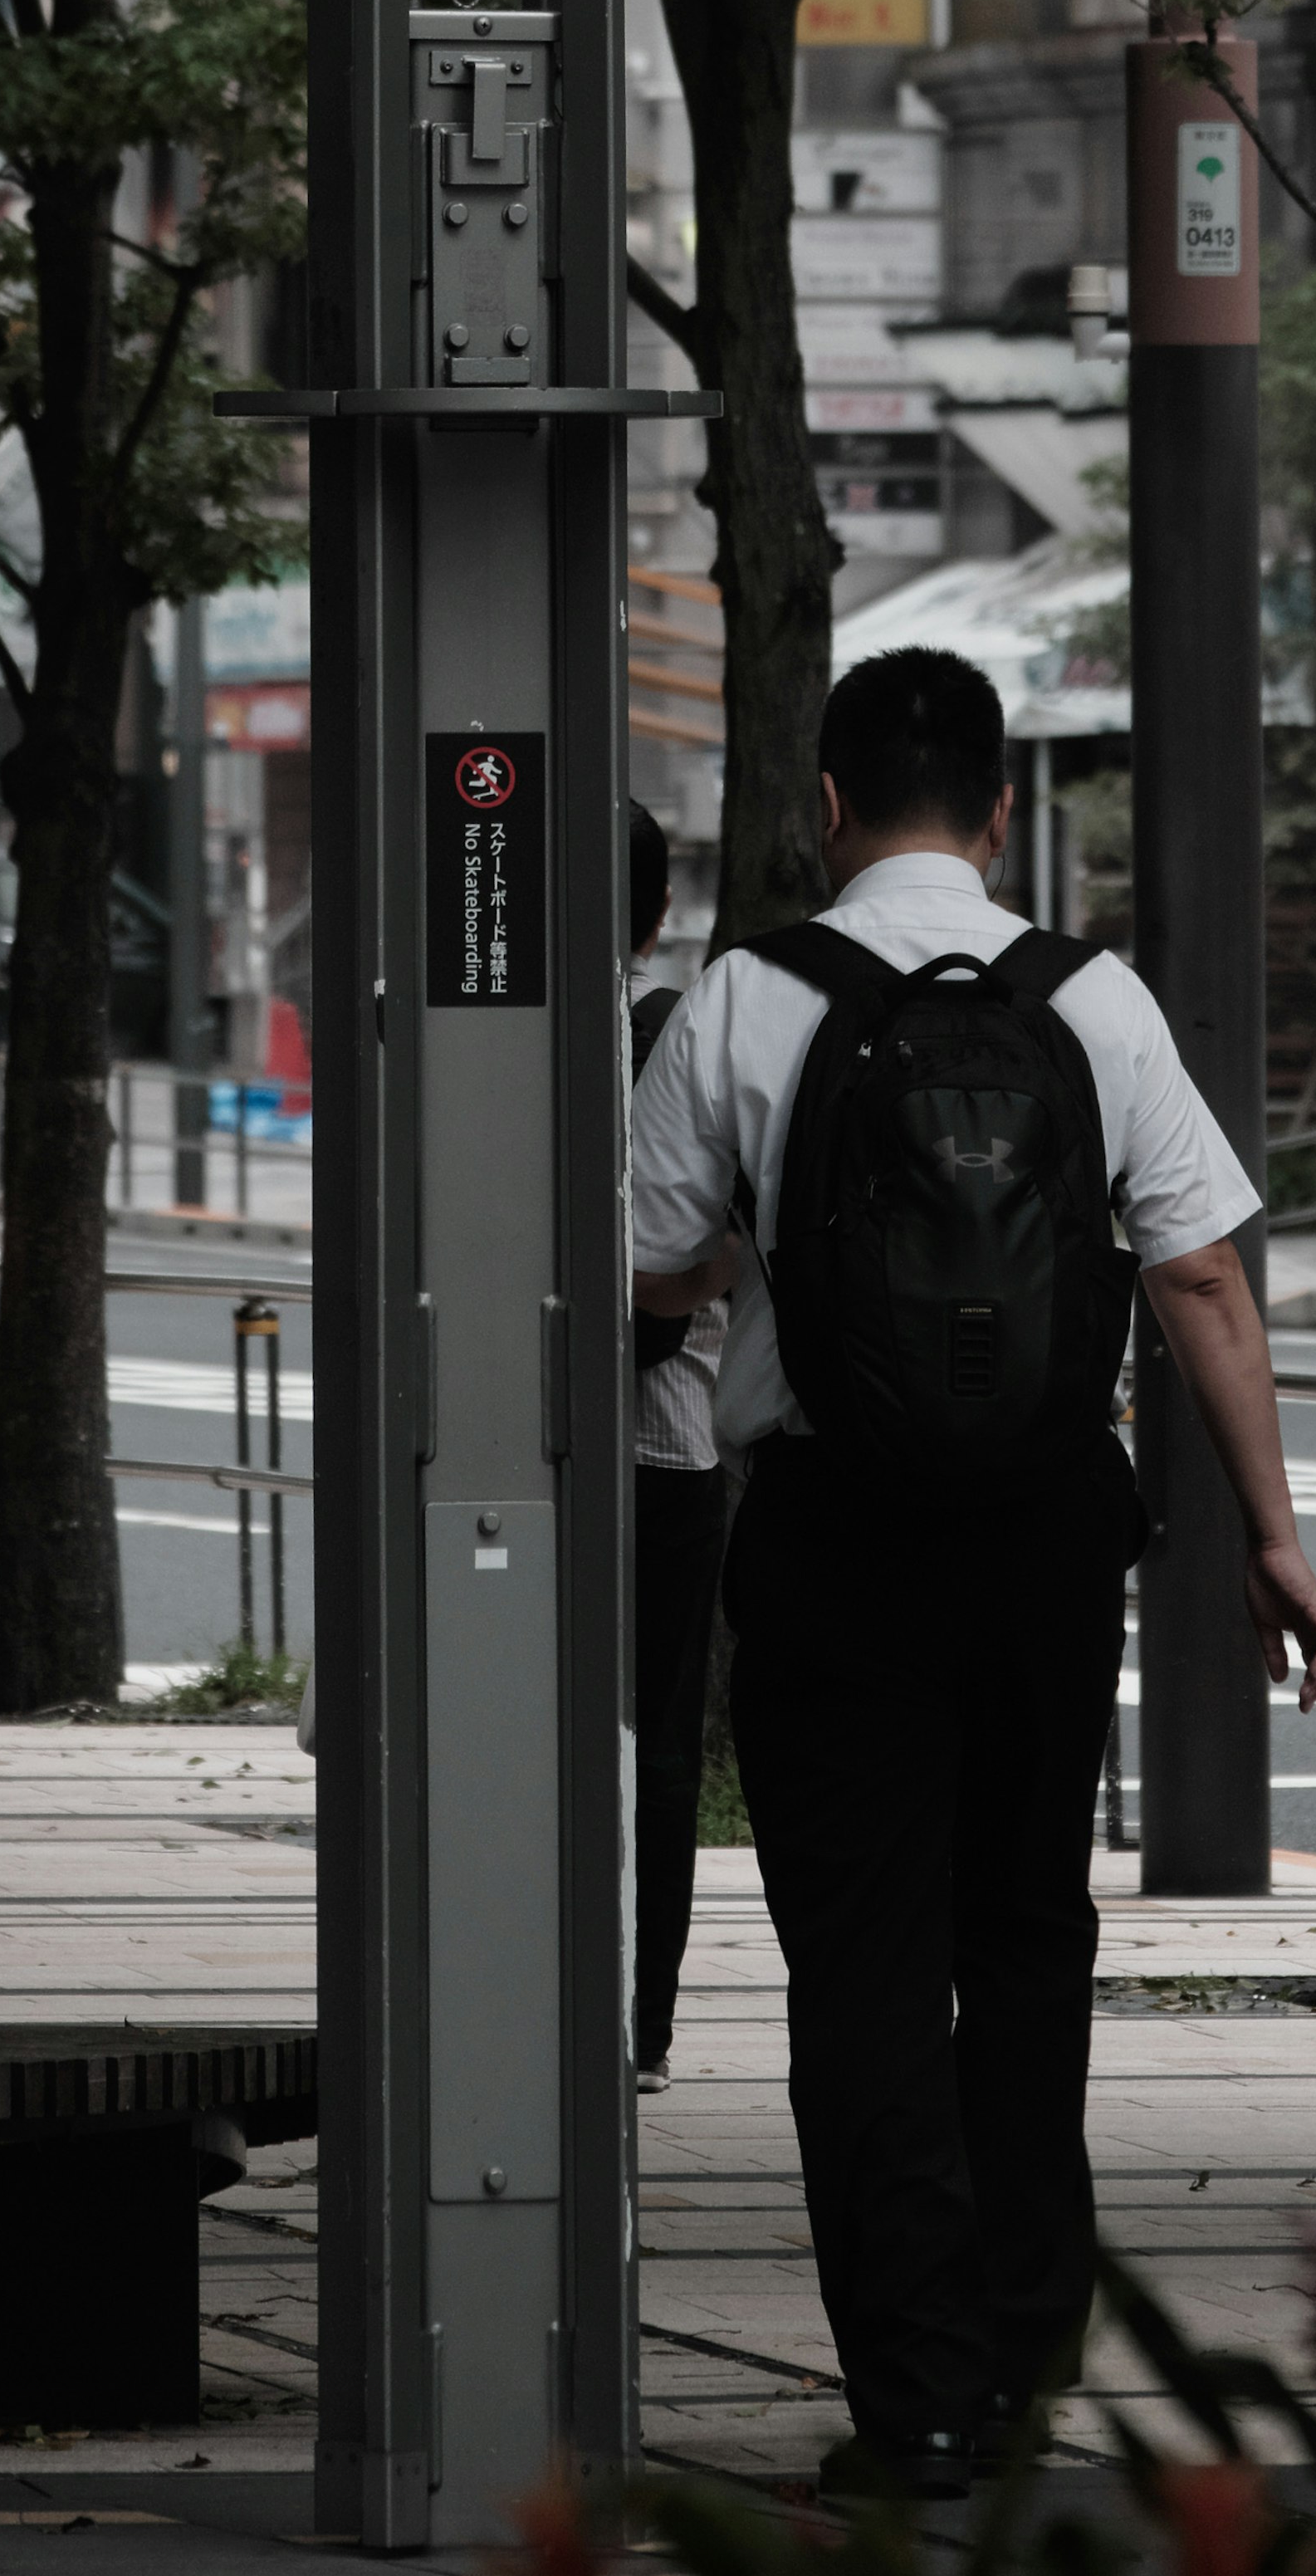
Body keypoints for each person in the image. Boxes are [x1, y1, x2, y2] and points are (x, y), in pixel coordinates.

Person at [629, 644, 1316, 2500]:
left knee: (859, 1973)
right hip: (1044, 1532)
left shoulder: (744, 999)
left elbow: (641, 1266)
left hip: (830, 1536)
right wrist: (1270, 1533)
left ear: (829, 805)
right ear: (1004, 810)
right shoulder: (1092, 1001)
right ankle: (1027, 2384)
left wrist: (749, 1275)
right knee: (1026, 1945)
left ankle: (920, 2402)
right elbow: (1197, 1276)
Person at [624, 796, 730, 2094]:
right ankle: (643, 2019)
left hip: (507, 1450)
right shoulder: (684, 1032)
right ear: (658, 909)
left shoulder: (482, 1042)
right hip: (670, 1451)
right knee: (657, 1739)